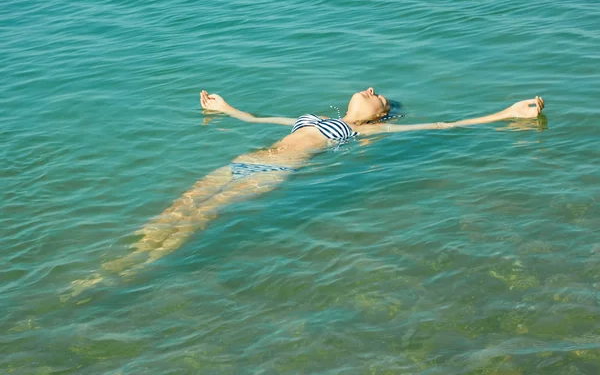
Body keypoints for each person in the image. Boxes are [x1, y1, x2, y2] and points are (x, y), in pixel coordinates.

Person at [65, 88, 544, 298]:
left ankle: (125, 274)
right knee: (176, 209)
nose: (372, 89)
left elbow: (444, 125)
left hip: (273, 170)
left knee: (197, 220)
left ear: (378, 115)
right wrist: (223, 107)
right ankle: (113, 264)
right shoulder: (309, 117)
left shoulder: (363, 133)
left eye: (379, 96)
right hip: (243, 160)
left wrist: (506, 114)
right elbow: (255, 120)